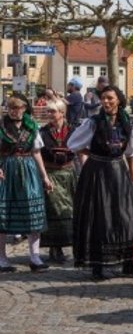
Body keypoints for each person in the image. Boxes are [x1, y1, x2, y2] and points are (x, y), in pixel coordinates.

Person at [69, 85, 133, 281]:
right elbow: (73, 144)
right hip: (97, 172)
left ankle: (128, 263)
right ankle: (98, 265)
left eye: (110, 98)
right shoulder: (93, 122)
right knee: (100, 217)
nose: (106, 101)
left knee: (126, 216)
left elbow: (131, 151)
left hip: (119, 172)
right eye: (103, 98)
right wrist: (92, 154)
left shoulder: (127, 122)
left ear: (119, 100)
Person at [0, 94, 53, 272]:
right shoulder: (1, 125)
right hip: (6, 170)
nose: (15, 111)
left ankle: (35, 257)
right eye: (12, 108)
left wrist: (44, 176)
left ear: (24, 108)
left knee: (33, 211)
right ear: (7, 109)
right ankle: (2, 258)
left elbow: (36, 152)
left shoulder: (32, 126)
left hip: (28, 170)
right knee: (3, 214)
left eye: (19, 108)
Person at [39, 99, 79, 263]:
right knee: (53, 210)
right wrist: (44, 176)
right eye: (48, 111)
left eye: (53, 111)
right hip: (52, 173)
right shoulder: (42, 132)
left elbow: (79, 150)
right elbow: (39, 154)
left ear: (62, 113)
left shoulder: (73, 130)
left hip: (68, 174)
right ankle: (53, 247)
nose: (49, 114)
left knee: (68, 210)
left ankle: (62, 246)